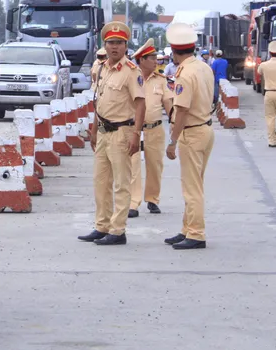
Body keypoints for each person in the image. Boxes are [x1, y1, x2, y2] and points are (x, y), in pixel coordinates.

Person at [77, 21, 145, 247]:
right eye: (110, 43)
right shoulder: (103, 68)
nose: (114, 47)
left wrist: (137, 134)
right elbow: (99, 101)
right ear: (104, 45)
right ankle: (102, 225)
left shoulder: (131, 72)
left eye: (119, 43)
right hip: (103, 132)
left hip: (122, 132)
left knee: (121, 183)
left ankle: (118, 230)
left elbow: (140, 104)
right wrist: (94, 130)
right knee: (101, 182)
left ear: (126, 46)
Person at [163, 23, 215, 250]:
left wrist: (173, 141)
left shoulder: (184, 75)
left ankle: (196, 233)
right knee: (196, 183)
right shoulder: (204, 67)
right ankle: (187, 228)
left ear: (174, 52)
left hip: (191, 132)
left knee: (191, 187)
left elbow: (181, 110)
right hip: (205, 128)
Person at [127, 39, 172, 218]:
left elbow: (168, 103)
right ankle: (133, 203)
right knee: (133, 165)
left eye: (156, 58)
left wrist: (176, 122)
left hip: (155, 129)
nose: (156, 62)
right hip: (133, 129)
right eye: (152, 58)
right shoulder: (131, 78)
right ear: (142, 60)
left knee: (155, 165)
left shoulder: (161, 80)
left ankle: (152, 199)